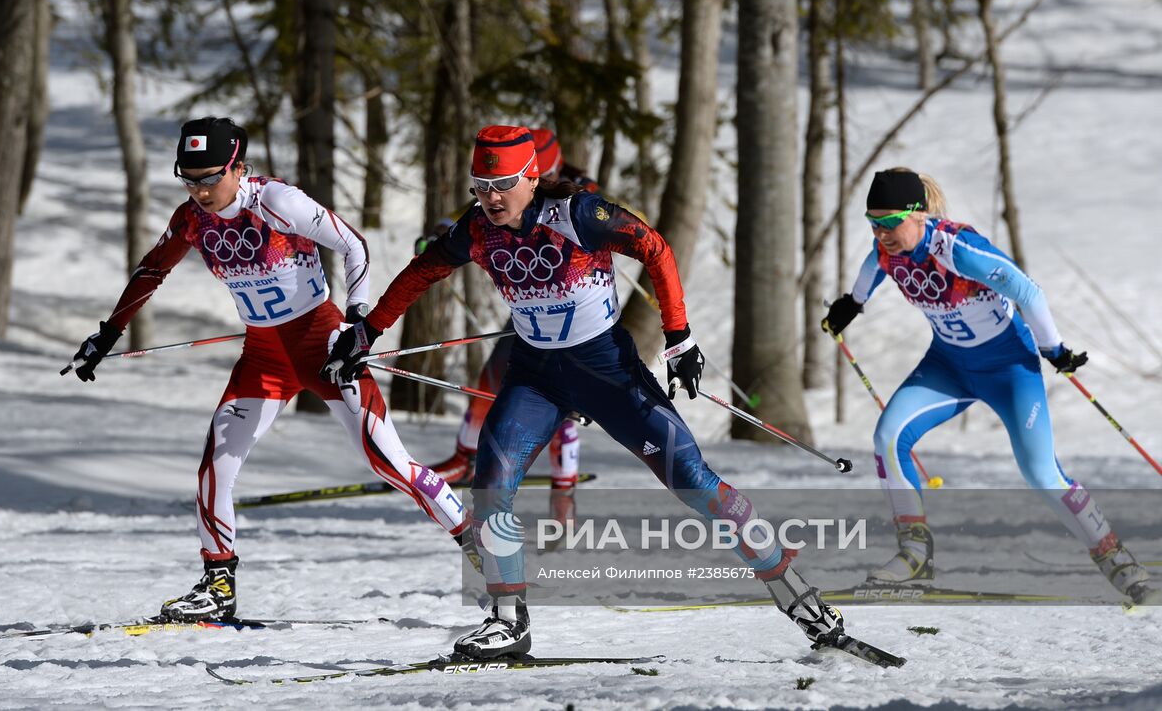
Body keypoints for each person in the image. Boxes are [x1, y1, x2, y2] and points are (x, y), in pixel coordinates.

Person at [323, 126, 850, 659]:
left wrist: (679, 335)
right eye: (480, 186)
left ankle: (800, 599)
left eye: (503, 184)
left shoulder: (579, 215)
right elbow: (422, 272)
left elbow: (656, 249)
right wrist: (366, 332)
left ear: (532, 177)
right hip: (535, 376)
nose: (491, 198)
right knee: (492, 480)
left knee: (692, 480)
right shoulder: (478, 229)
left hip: (606, 371)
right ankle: (508, 619)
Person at [69, 117, 474, 624]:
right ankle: (217, 582)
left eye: (210, 177)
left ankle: (480, 543)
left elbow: (353, 245)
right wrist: (108, 332)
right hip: (263, 354)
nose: (199, 191)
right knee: (216, 463)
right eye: (188, 179)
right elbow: (154, 269)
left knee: (387, 462)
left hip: (319, 344)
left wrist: (357, 322)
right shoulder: (192, 219)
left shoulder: (277, 203)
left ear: (238, 168)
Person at [822, 168, 1157, 605]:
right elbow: (874, 267)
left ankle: (1117, 560)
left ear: (918, 214)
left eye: (889, 223)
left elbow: (1029, 292)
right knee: (887, 437)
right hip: (949, 366)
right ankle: (915, 554)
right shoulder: (887, 250)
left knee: (1041, 473)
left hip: (1009, 370)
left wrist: (1053, 349)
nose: (881, 233)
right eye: (873, 222)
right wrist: (853, 303)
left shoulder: (958, 248)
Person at [427, 129, 594, 524]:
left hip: (576, 310)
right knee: (492, 375)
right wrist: (439, 234)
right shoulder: (500, 190)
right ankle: (465, 455)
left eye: (541, 170)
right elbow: (473, 212)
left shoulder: (579, 187)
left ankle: (564, 491)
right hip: (529, 306)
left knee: (562, 404)